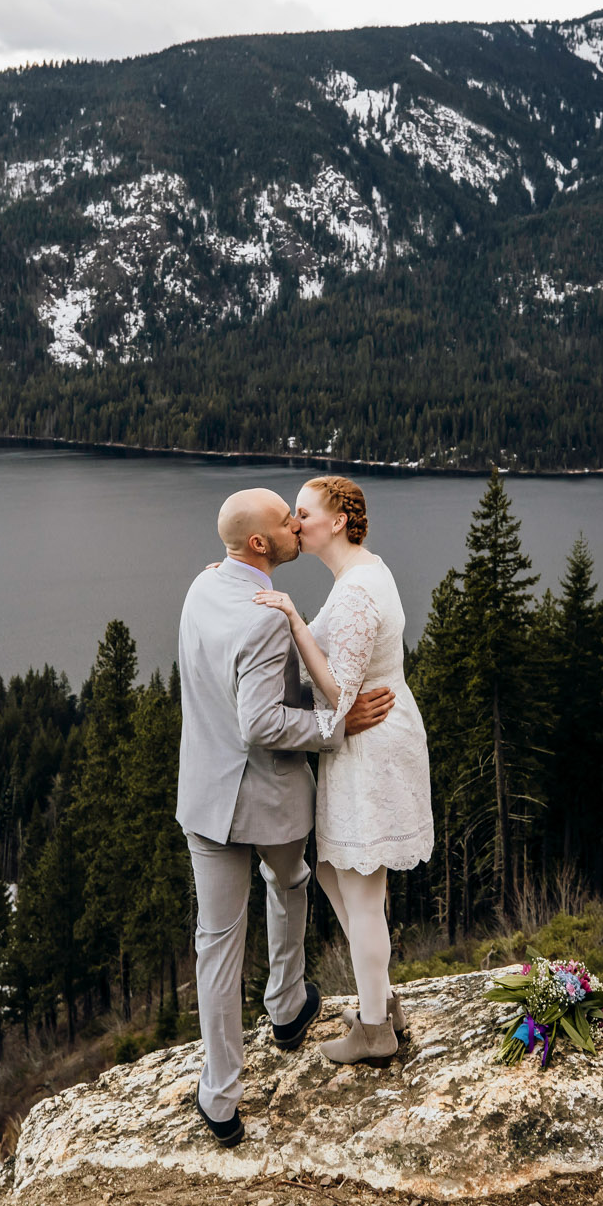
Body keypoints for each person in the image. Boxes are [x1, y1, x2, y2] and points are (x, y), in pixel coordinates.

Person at [175, 487, 394, 1149]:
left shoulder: (202, 586)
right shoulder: (267, 617)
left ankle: (219, 1095)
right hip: (268, 800)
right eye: (284, 519)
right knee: (291, 879)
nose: (297, 523)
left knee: (216, 943)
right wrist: (334, 724)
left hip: (206, 800)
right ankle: (286, 1003)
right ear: (261, 545)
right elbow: (261, 722)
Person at [252, 476, 434, 1066]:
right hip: (372, 739)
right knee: (335, 871)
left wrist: (292, 620)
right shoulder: (362, 571)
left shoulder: (356, 591)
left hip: (372, 748)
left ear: (335, 521)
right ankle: (382, 999)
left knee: (360, 890)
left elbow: (339, 693)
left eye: (302, 513)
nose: (294, 524)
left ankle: (376, 1030)